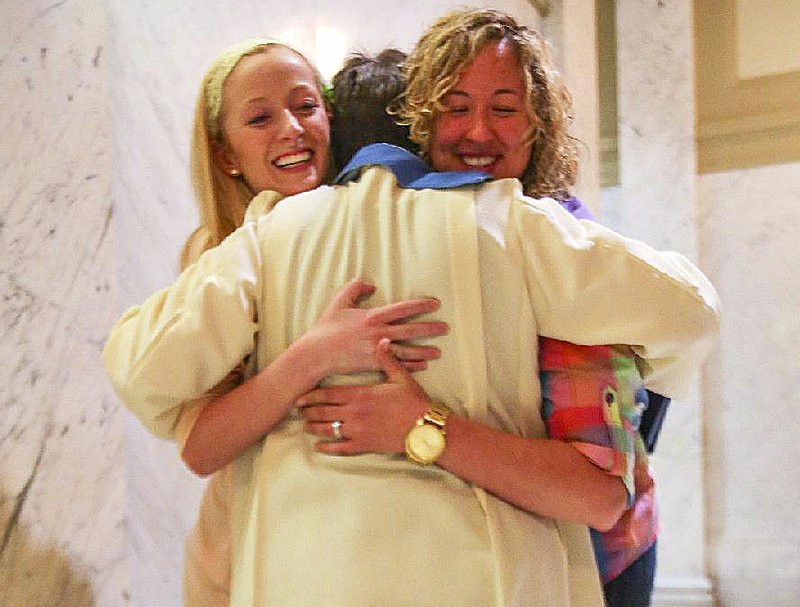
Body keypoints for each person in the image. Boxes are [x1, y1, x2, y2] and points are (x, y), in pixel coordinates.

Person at [104, 13, 720, 607]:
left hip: (306, 571)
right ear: (420, 128)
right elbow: (690, 310)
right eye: (456, 109)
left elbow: (141, 371)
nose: (476, 133)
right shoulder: (508, 221)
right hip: (486, 571)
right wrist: (654, 388)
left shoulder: (267, 233)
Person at [164, 37, 448, 606]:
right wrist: (314, 355)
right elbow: (201, 448)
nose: (290, 129)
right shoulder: (216, 255)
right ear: (226, 154)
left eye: (305, 106)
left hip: (369, 548)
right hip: (246, 555)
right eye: (261, 118)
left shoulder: (385, 221)